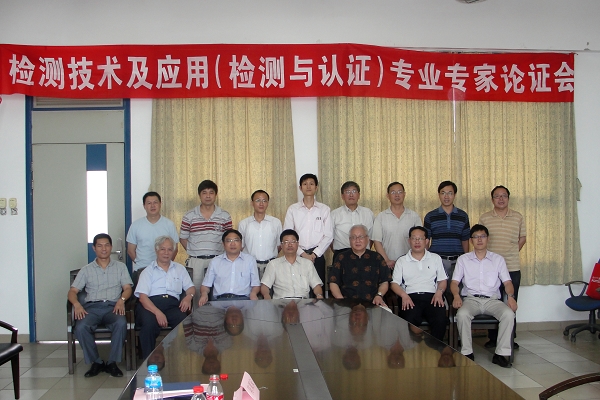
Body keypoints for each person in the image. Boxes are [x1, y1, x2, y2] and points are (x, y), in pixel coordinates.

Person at [450, 224, 517, 368]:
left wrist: (511, 296)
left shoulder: (498, 259)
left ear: (488, 239)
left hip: (492, 300)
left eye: (483, 236)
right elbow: (454, 282)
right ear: (471, 240)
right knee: (462, 315)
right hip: (471, 299)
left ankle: (501, 354)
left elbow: (507, 282)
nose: (479, 240)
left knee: (508, 314)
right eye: (476, 237)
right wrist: (456, 295)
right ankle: (467, 353)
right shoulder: (463, 259)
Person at [68, 233, 133, 377]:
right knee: (81, 327)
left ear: (111, 247)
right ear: (94, 248)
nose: (104, 249)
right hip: (91, 308)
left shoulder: (120, 267)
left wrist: (121, 300)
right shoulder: (86, 270)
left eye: (107, 245)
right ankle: (96, 362)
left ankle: (112, 363)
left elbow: (128, 288)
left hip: (113, 307)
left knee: (121, 323)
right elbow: (72, 291)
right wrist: (77, 304)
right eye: (100, 246)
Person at [478, 185, 526, 349]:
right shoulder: (485, 218)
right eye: (497, 196)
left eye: (504, 196)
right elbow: (480, 240)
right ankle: (493, 338)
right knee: (493, 302)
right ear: (492, 200)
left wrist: (510, 253)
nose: (501, 199)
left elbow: (522, 238)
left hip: (512, 267)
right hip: (490, 268)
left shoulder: (517, 217)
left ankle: (510, 338)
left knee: (511, 302)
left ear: (508, 198)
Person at [134, 236, 195, 359]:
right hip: (150, 305)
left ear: (173, 252)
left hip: (172, 306)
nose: (166, 253)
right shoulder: (148, 271)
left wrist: (189, 297)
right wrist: (158, 313)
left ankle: (178, 359)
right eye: (162, 249)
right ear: (156, 250)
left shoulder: (180, 269)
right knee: (149, 324)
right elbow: (143, 298)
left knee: (183, 322)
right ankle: (148, 361)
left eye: (169, 249)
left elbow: (191, 288)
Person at [390, 226, 447, 341]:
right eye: (414, 238)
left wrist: (439, 292)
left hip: (432, 296)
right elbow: (394, 284)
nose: (417, 241)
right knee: (410, 319)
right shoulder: (402, 261)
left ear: (427, 241)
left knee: (440, 319)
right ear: (409, 241)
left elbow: (442, 280)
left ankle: (434, 348)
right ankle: (415, 348)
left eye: (420, 238)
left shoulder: (435, 258)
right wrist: (404, 295)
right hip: (410, 297)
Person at [180, 180, 233, 295]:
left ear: (216, 195)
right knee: (196, 295)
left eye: (211, 192)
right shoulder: (189, 215)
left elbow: (229, 239)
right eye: (204, 193)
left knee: (218, 292)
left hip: (218, 260)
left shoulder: (225, 215)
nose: (208, 196)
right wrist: (193, 250)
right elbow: (183, 238)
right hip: (196, 262)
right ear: (199, 195)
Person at [283, 173, 333, 284]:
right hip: (297, 255)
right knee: (298, 286)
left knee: (317, 287)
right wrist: (303, 254)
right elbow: (287, 234)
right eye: (305, 184)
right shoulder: (293, 209)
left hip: (318, 256)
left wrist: (315, 254)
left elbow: (329, 235)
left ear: (316, 187)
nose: (308, 186)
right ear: (300, 188)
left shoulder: (324, 209)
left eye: (311, 184)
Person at [423, 180, 470, 298]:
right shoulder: (430, 216)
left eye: (450, 193)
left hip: (457, 262)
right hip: (437, 261)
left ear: (455, 195)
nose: (446, 196)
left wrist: (466, 260)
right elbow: (426, 241)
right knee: (437, 295)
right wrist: (425, 261)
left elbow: (465, 240)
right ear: (439, 195)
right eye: (443, 193)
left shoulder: (463, 216)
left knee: (457, 294)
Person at [328, 225, 390, 306]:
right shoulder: (341, 257)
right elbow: (333, 283)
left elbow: (384, 282)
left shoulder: (377, 257)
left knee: (387, 312)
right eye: (353, 237)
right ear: (349, 240)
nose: (357, 240)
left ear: (367, 239)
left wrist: (379, 295)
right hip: (347, 304)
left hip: (373, 302)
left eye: (361, 237)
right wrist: (341, 301)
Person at [198, 229, 261, 305]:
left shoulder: (250, 260)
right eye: (229, 241)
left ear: (241, 243)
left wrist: (253, 293)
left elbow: (256, 285)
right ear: (223, 244)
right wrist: (204, 294)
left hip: (243, 301)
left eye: (236, 240)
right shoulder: (215, 261)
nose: (233, 244)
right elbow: (205, 286)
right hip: (220, 301)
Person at [261, 229, 324, 300]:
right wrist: (266, 296)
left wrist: (319, 295)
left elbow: (316, 285)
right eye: (286, 242)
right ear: (281, 245)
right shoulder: (273, 264)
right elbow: (265, 285)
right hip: (281, 302)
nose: (290, 245)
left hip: (303, 302)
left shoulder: (307, 264)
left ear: (297, 244)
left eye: (293, 242)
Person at [372, 182, 421, 269]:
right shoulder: (381, 217)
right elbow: (377, 241)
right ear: (388, 196)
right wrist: (386, 260)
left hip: (410, 264)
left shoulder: (414, 216)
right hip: (388, 265)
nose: (397, 195)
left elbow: (420, 240)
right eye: (393, 192)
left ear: (404, 194)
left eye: (400, 192)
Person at [126, 191, 179, 271]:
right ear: (144, 206)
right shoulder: (136, 225)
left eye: (155, 202)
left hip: (163, 269)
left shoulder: (169, 224)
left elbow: (175, 249)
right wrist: (140, 263)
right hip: (142, 268)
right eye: (149, 203)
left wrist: (165, 264)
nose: (152, 206)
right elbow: (130, 250)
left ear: (160, 204)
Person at [238, 190, 282, 278]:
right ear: (252, 203)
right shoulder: (244, 223)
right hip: (250, 266)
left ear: (268, 203)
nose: (261, 204)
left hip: (271, 265)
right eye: (258, 200)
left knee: (270, 287)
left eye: (264, 201)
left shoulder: (276, 222)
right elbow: (241, 246)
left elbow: (279, 245)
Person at [330, 181, 375, 260]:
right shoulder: (334, 214)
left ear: (359, 195)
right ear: (342, 196)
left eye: (354, 191)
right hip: (341, 255)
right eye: (347, 192)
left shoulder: (368, 213)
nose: (351, 195)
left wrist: (362, 250)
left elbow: (371, 236)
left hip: (364, 255)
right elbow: (330, 238)